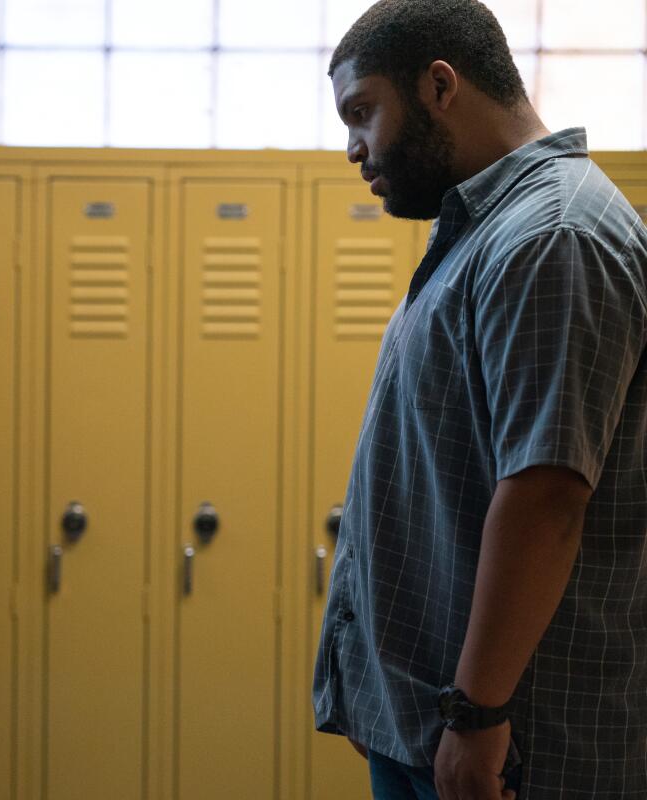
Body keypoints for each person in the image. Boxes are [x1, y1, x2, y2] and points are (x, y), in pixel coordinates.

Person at [313, 1, 647, 799]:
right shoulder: (483, 229)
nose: (352, 148)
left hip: (512, 752)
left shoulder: (553, 236)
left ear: (439, 86)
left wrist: (475, 713)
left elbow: (545, 496)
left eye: (363, 113)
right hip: (432, 728)